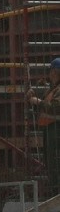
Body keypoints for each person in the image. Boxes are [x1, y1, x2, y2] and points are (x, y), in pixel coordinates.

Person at [29, 58, 60, 195]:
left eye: (51, 71)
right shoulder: (52, 90)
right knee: (50, 162)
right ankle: (55, 191)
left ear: (54, 71)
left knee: (55, 162)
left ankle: (57, 192)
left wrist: (37, 102)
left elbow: (55, 108)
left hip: (56, 130)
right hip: (50, 130)